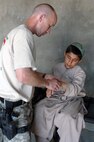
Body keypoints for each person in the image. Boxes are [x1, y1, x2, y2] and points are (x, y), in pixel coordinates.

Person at [0, 3, 61, 142]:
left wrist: (44, 76)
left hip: (7, 107)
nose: (49, 30)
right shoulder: (24, 35)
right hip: (15, 110)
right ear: (41, 17)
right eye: (50, 25)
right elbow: (23, 76)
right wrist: (47, 83)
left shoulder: (16, 32)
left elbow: (21, 71)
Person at [32, 42, 87, 142]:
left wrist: (60, 84)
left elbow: (75, 89)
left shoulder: (80, 72)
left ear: (80, 61)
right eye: (68, 57)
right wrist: (50, 89)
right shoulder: (57, 67)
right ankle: (42, 140)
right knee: (40, 108)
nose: (70, 62)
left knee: (69, 118)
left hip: (73, 99)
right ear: (64, 54)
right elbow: (50, 82)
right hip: (56, 97)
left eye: (75, 60)